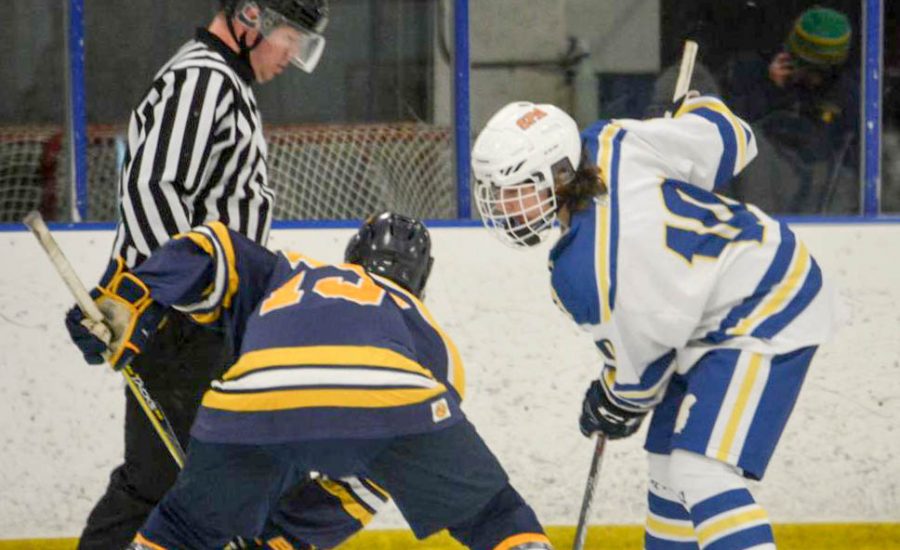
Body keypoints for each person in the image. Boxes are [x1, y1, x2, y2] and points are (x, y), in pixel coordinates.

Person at [58, 1, 383, 548]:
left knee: (189, 483)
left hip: (204, 322)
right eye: (291, 36)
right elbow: (153, 190)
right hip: (185, 327)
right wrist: (150, 299)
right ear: (251, 16)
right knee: (163, 485)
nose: (294, 54)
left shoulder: (223, 83)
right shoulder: (202, 80)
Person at [470, 96, 835, 549]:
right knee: (666, 468)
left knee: (699, 470)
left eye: (516, 190)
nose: (503, 207)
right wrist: (690, 112)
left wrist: (615, 396)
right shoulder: (612, 141)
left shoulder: (585, 271)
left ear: (561, 176)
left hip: (764, 298)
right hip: (701, 315)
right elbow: (732, 137)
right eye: (495, 191)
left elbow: (643, 375)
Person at [68, 212, 554, 550]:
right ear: (420, 280)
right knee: (493, 514)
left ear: (351, 257)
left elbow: (214, 246)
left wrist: (138, 297)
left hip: (254, 401)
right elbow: (363, 485)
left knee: (182, 528)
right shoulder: (428, 332)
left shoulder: (292, 269)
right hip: (394, 396)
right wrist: (287, 538)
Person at [720, 6, 858, 213]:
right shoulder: (752, 74)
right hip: (757, 193)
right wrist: (771, 90)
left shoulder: (847, 94)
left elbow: (848, 160)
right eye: (806, 67)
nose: (813, 78)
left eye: (820, 71)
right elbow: (732, 133)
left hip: (821, 198)